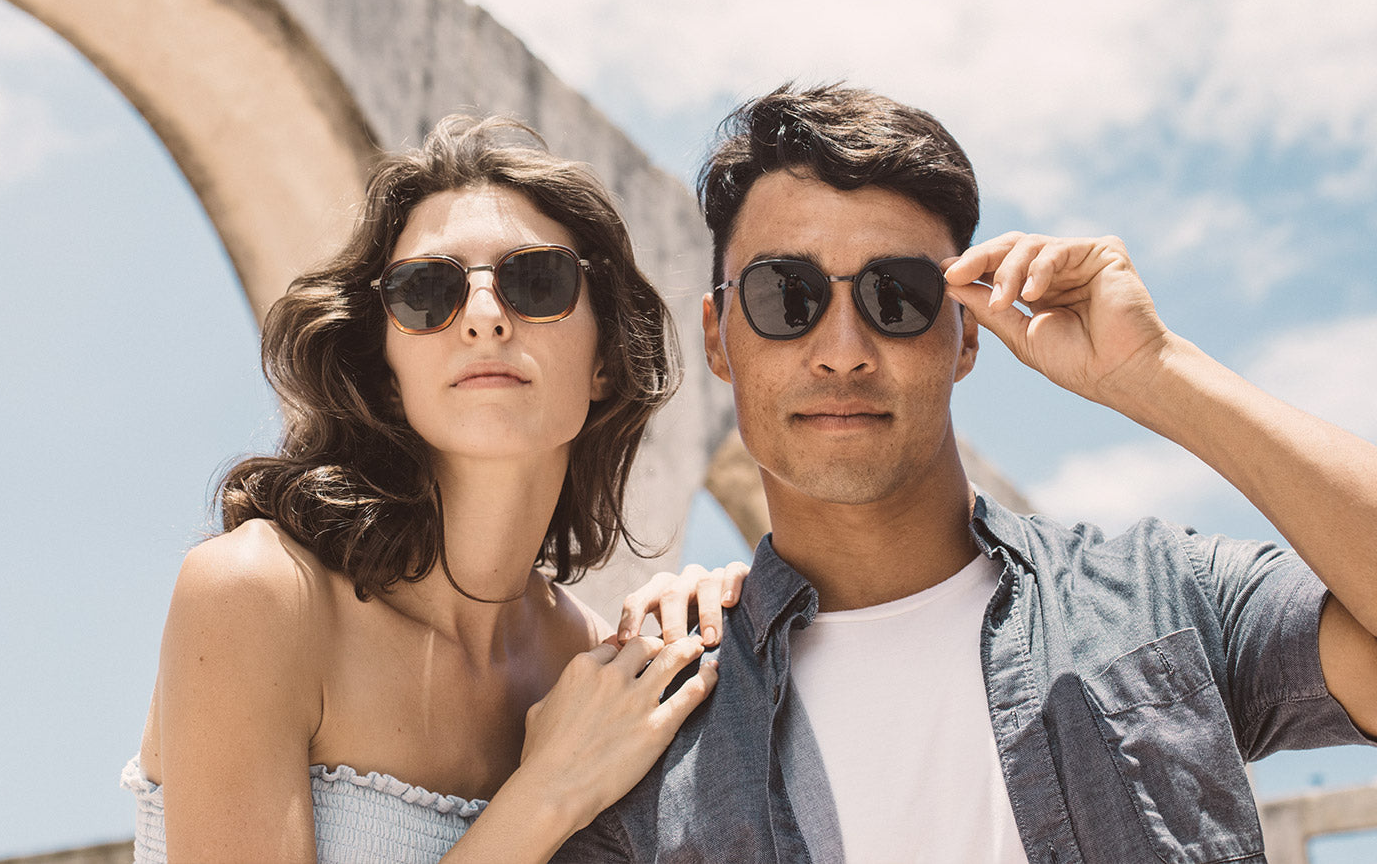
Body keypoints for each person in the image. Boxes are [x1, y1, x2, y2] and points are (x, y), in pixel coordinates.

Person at [555, 84, 1377, 863]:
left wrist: (1157, 372)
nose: (843, 353)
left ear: (969, 332)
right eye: (785, 295)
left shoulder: (1161, 599)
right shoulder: (643, 728)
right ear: (718, 336)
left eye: (898, 295)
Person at [122, 115, 747, 863]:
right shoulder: (261, 593)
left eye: (536, 281)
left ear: (606, 358)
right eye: (427, 291)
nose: (484, 317)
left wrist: (733, 611)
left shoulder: (591, 669)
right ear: (386, 373)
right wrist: (547, 792)